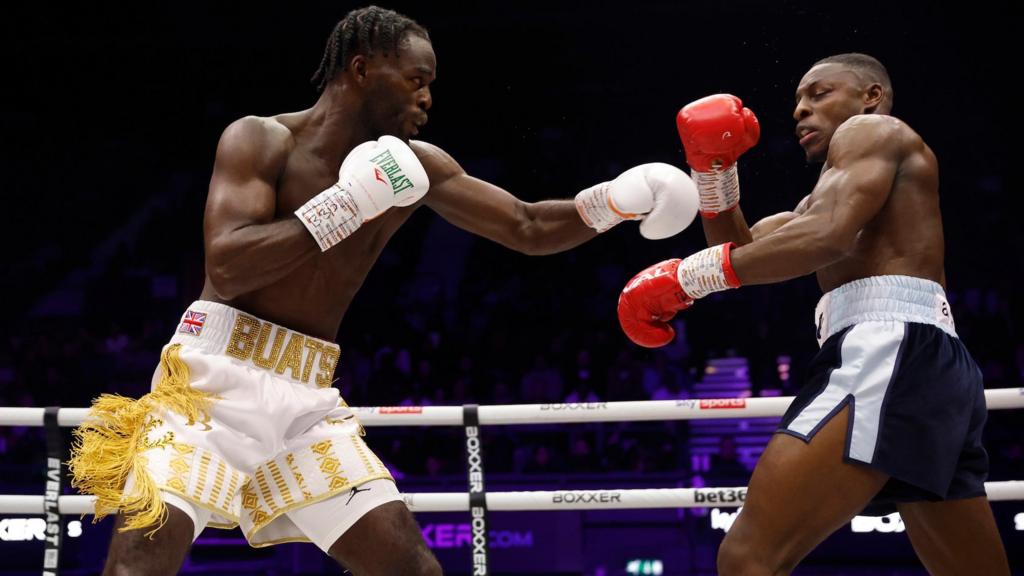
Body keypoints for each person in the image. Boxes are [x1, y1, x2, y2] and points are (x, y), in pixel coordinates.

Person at [67, 5, 699, 575]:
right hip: (207, 387)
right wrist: (346, 204)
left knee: (412, 571)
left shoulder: (416, 165)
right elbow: (229, 266)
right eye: (415, 80)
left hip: (305, 400)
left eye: (431, 85)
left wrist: (618, 199)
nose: (426, 99)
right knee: (139, 565)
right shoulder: (261, 139)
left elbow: (527, 226)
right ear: (362, 69)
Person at [616, 53, 1010, 575]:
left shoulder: (874, 131)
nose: (801, 110)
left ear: (870, 95)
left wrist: (687, 279)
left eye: (819, 94)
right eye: (798, 101)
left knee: (749, 557)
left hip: (887, 347)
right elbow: (747, 249)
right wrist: (715, 172)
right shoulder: (814, 202)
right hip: (923, 363)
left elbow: (826, 237)